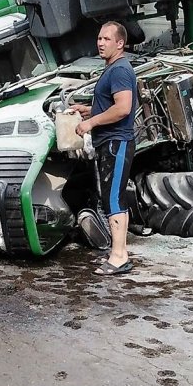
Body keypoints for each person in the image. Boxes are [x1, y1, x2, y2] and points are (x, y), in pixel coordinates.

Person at [71, 21, 139, 276]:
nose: (100, 43)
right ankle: (117, 253)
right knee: (111, 198)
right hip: (109, 142)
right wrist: (88, 109)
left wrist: (91, 122)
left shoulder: (120, 70)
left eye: (107, 39)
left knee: (113, 199)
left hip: (116, 142)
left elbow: (123, 108)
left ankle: (119, 256)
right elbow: (111, 104)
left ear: (120, 43)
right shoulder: (112, 69)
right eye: (99, 38)